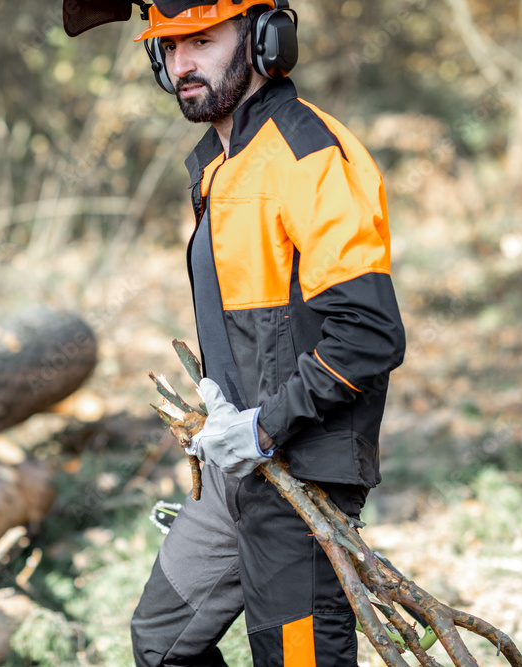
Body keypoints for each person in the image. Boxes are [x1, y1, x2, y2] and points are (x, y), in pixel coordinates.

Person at [120, 1, 407, 664]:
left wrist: (262, 426)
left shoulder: (308, 156)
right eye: (168, 45)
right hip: (236, 472)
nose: (180, 63)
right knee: (163, 641)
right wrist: (229, 416)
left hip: (300, 472)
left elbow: (369, 331)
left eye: (201, 40)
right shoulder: (220, 165)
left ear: (264, 39)